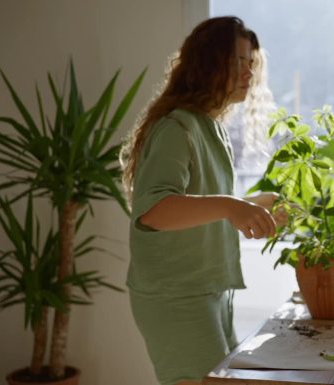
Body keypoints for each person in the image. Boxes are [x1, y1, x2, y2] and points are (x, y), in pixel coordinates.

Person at [120, 16, 281, 385]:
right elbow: (155, 211)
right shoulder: (177, 127)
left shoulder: (210, 127)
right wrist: (231, 206)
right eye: (238, 61)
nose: (248, 73)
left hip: (207, 291)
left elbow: (198, 203)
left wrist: (251, 206)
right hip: (176, 297)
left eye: (250, 63)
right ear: (209, 64)